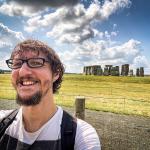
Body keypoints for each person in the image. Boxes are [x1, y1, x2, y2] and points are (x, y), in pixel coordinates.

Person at [0, 39, 101, 150]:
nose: (22, 71)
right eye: (17, 64)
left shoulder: (80, 135)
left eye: (36, 62)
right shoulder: (2, 121)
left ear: (56, 73)